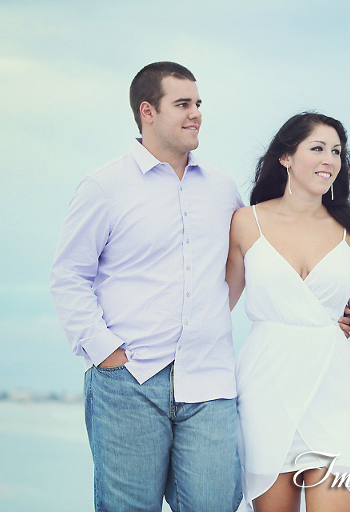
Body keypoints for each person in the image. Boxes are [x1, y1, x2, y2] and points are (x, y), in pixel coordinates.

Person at [49, 62, 244, 512]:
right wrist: (106, 352)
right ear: (147, 111)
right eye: (183, 104)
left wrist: (322, 311)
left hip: (210, 379)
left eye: (198, 104)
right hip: (129, 381)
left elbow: (253, 258)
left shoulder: (222, 187)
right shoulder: (104, 186)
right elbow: (68, 275)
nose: (196, 114)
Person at [226, 112, 350, 511]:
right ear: (285, 157)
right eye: (317, 148)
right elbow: (218, 305)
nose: (329, 160)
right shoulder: (246, 222)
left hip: (332, 387)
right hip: (265, 385)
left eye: (336, 152)